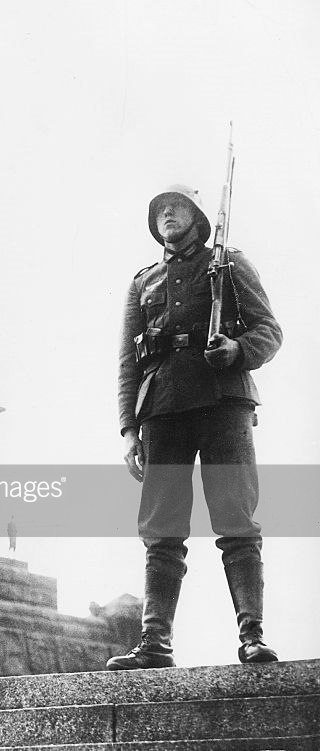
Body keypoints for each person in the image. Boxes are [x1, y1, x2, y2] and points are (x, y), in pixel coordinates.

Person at [109, 185, 282, 670]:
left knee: (236, 520)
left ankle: (252, 636)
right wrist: (128, 429)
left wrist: (237, 351)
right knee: (161, 530)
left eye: (177, 206)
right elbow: (128, 362)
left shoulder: (228, 265)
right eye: (159, 209)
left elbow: (269, 330)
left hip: (224, 402)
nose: (167, 213)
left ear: (198, 216)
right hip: (162, 410)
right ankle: (154, 643)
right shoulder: (143, 282)